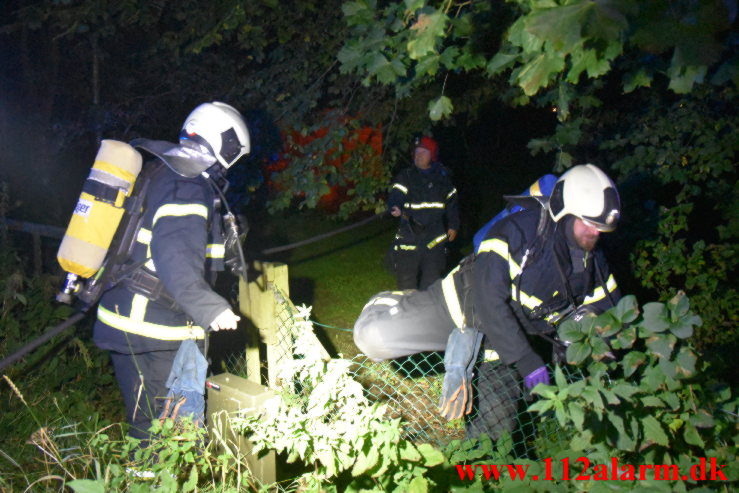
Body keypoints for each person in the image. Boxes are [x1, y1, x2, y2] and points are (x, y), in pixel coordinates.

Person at [355, 164, 621, 437]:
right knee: (373, 338)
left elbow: (609, 312)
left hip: (503, 342)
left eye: (600, 228)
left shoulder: (592, 262)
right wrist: (527, 360)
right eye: (589, 223)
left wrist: (602, 345)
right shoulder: (517, 231)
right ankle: (392, 302)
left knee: (495, 436)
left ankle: (471, 469)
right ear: (565, 210)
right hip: (462, 306)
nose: (595, 233)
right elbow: (488, 299)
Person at [92, 101, 250, 444]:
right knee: (174, 436)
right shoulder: (189, 183)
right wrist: (210, 306)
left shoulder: (163, 172)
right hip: (156, 329)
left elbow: (160, 238)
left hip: (127, 321)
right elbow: (175, 252)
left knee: (145, 428)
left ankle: (139, 479)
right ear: (227, 145)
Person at [387, 136, 460, 290]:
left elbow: (452, 203)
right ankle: (406, 312)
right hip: (410, 237)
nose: (418, 156)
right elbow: (396, 195)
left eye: (423, 152)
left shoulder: (443, 177)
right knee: (406, 284)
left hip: (435, 239)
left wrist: (453, 224)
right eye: (416, 152)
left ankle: (427, 312)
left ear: (432, 155)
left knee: (432, 284)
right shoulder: (405, 176)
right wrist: (395, 207)